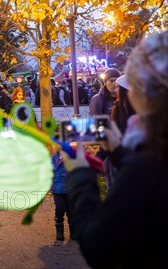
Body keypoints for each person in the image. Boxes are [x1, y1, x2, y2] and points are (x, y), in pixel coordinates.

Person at [63, 31, 168, 268]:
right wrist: (119, 152)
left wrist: (80, 173)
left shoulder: (149, 165)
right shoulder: (151, 157)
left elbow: (98, 247)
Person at [50, 144, 73, 246]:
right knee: (60, 208)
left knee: (71, 210)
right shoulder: (53, 158)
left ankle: (74, 231)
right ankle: (59, 231)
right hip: (57, 189)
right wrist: (59, 162)